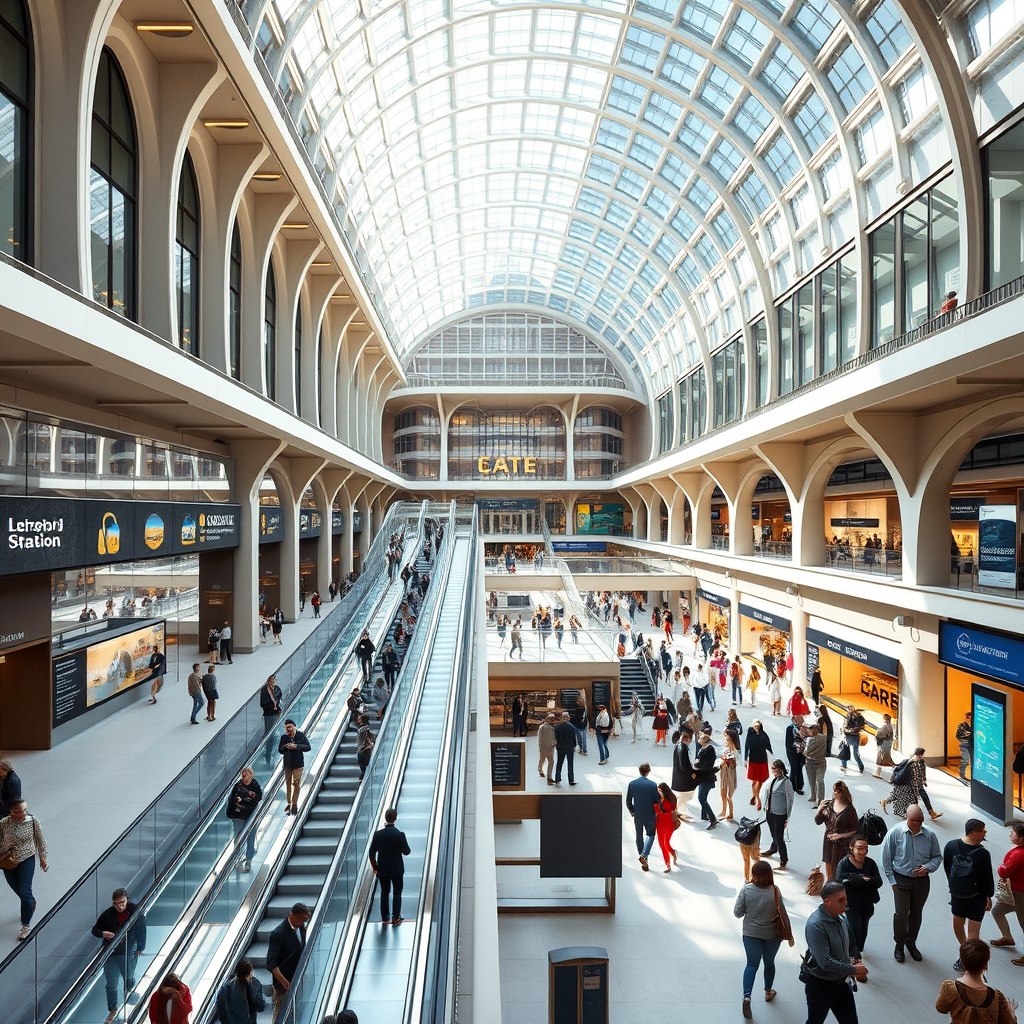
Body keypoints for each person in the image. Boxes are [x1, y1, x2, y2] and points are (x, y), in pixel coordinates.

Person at [881, 803, 942, 962]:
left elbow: (937, 856)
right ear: (908, 819)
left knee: (916, 913)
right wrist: (892, 880)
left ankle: (911, 942)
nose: (918, 825)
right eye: (915, 821)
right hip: (901, 879)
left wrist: (928, 867)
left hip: (921, 880)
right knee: (901, 914)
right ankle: (899, 944)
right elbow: (887, 859)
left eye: (921, 822)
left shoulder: (929, 835)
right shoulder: (896, 833)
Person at [802, 882, 868, 1024]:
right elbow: (825, 962)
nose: (845, 902)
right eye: (841, 900)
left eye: (845, 898)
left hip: (842, 983)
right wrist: (853, 969)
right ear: (827, 901)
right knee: (815, 1021)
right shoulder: (816, 926)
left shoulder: (841, 919)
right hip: (821, 986)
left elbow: (849, 944)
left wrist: (854, 958)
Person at [734, 860, 791, 1017]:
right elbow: (783, 912)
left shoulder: (746, 890)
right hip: (772, 935)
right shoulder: (775, 891)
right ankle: (768, 991)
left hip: (751, 933)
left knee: (751, 965)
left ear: (753, 874)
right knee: (769, 962)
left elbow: (737, 913)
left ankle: (747, 996)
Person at [944, 818, 995, 966]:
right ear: (974, 832)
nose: (985, 833)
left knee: (957, 923)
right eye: (983, 830)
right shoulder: (983, 854)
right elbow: (986, 877)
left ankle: (964, 952)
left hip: (957, 893)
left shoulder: (951, 846)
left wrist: (953, 886)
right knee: (974, 934)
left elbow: (948, 868)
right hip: (976, 897)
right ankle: (971, 962)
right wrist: (988, 896)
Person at [92, 887, 147, 1023]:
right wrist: (103, 933)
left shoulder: (135, 911)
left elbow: (141, 929)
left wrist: (141, 947)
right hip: (111, 952)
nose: (119, 906)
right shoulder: (109, 913)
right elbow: (95, 929)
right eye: (116, 903)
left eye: (121, 902)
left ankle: (130, 991)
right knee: (111, 983)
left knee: (128, 976)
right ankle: (113, 1010)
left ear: (126, 899)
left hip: (128, 950)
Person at [935, 938, 1018, 1023]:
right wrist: (1011, 1013)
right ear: (985, 965)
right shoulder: (997, 998)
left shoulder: (950, 988)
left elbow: (941, 1008)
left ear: (962, 963)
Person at [0, 798, 48, 939]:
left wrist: (43, 858)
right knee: (19, 890)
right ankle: (30, 903)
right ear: (12, 811)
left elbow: (41, 840)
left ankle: (25, 925)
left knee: (25, 891)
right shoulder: (3, 824)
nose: (21, 814)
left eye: (23, 811)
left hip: (27, 859)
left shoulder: (32, 821)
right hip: (8, 862)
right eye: (18, 811)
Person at [835, 837, 883, 953]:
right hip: (851, 901)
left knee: (863, 926)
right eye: (859, 848)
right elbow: (840, 881)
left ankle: (859, 948)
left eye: (866, 849)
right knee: (854, 927)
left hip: (867, 901)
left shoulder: (870, 863)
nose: (863, 852)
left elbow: (878, 882)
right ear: (851, 848)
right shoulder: (844, 863)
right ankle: (852, 951)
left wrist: (855, 880)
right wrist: (861, 879)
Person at [266, 903, 310, 1022]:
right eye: (301, 920)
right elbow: (270, 963)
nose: (303, 923)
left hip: (297, 979)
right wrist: (284, 981)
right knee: (280, 1014)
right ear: (293, 916)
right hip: (283, 985)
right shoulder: (278, 934)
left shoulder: (301, 929)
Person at [369, 807, 411, 925]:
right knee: (397, 892)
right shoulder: (400, 835)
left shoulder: (378, 835)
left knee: (384, 892)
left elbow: (371, 852)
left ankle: (385, 917)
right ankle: (396, 917)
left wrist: (375, 867)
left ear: (385, 818)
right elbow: (406, 851)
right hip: (397, 869)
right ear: (395, 819)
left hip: (383, 869)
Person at [882, 747, 943, 821]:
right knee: (906, 798)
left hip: (915, 784)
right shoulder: (912, 763)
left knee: (917, 797)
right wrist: (917, 787)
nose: (921, 756)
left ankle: (930, 812)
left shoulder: (919, 762)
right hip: (908, 784)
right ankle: (912, 814)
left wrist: (923, 780)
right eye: (920, 755)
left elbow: (921, 773)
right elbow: (913, 777)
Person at [990, 822, 1024, 954]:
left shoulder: (1019, 855)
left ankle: (1007, 937)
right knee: (997, 911)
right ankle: (1007, 937)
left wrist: (1000, 866)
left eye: (1013, 833)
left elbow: (1004, 871)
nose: (1010, 834)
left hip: (1018, 893)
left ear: (1021, 838)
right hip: (1016, 892)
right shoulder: (1019, 851)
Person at [816, 780, 859, 883]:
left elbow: (854, 829)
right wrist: (820, 809)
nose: (835, 793)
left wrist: (839, 836)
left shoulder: (850, 810)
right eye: (834, 790)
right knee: (829, 871)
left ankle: (836, 890)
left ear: (843, 792)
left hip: (842, 845)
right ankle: (829, 889)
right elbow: (818, 821)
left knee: (838, 872)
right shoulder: (829, 805)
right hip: (828, 843)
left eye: (838, 790)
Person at [759, 760, 795, 870]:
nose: (774, 770)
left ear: (782, 769)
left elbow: (790, 798)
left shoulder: (786, 782)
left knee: (779, 836)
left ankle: (784, 858)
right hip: (769, 811)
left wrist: (788, 815)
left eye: (777, 768)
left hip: (780, 813)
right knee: (773, 832)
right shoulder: (772, 779)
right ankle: (773, 847)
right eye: (773, 768)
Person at [226, 767, 262, 871]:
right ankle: (236, 859)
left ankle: (248, 860)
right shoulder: (237, 786)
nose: (245, 777)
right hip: (238, 816)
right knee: (237, 838)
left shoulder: (255, 786)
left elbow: (259, 798)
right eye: (244, 775)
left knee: (250, 839)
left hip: (250, 817)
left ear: (251, 775)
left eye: (247, 774)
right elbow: (231, 800)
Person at [626, 763, 660, 870]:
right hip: (649, 814)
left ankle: (642, 855)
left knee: (639, 835)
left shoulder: (632, 784)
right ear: (648, 772)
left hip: (638, 814)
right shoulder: (653, 785)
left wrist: (633, 811)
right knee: (650, 835)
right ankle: (644, 855)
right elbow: (657, 800)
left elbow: (628, 801)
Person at [215, 958, 266, 1024]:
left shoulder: (226, 987)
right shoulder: (255, 985)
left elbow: (221, 1011)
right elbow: (261, 1007)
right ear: (250, 972)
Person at [279, 719, 311, 815]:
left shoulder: (300, 735)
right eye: (286, 728)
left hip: (298, 764)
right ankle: (289, 803)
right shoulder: (284, 737)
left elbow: (308, 747)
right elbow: (280, 750)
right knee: (288, 784)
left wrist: (296, 746)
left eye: (289, 727)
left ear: (294, 726)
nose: (287, 730)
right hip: (288, 765)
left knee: (296, 783)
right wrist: (285, 747)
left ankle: (294, 804)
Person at [743, 720, 773, 811]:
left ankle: (755, 797)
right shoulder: (751, 733)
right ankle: (757, 798)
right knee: (755, 781)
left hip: (761, 760)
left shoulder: (763, 735)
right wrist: (745, 759)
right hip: (754, 760)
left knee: (759, 780)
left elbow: (769, 746)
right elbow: (746, 746)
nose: (756, 728)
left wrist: (772, 756)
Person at [671, 727, 697, 822]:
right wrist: (691, 772)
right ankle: (678, 812)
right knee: (685, 795)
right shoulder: (682, 748)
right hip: (682, 778)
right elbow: (684, 765)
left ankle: (677, 811)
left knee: (683, 796)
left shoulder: (679, 746)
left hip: (679, 776)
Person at [694, 732, 719, 830]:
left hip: (707, 777)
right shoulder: (703, 749)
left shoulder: (709, 750)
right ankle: (704, 815)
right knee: (703, 796)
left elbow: (705, 765)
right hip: (703, 776)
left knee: (702, 798)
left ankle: (713, 818)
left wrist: (697, 764)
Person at [654, 783, 678, 872]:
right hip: (670, 822)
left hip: (661, 822)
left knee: (662, 843)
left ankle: (668, 863)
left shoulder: (660, 800)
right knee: (665, 842)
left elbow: (657, 810)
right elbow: (673, 809)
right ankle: (671, 854)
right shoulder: (672, 798)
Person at [260, 676, 284, 765]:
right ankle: (268, 754)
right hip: (269, 714)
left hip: (277, 713)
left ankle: (273, 753)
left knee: (276, 733)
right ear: (268, 681)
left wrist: (278, 707)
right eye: (271, 680)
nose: (273, 682)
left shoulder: (276, 689)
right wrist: (271, 703)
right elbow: (263, 703)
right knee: (270, 734)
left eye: (274, 680)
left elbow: (280, 697)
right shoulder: (264, 690)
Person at [804, 721, 827, 805]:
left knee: (819, 780)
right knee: (811, 780)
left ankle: (820, 799)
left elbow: (806, 751)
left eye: (815, 729)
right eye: (811, 730)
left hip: (820, 763)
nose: (813, 732)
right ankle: (813, 795)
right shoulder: (808, 739)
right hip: (810, 763)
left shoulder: (821, 738)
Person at [719, 731, 739, 821]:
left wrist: (728, 759)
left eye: (727, 736)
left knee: (728, 794)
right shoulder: (726, 745)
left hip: (730, 771)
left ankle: (730, 813)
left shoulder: (734, 748)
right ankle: (723, 811)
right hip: (724, 770)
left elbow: (734, 761)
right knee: (722, 791)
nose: (726, 738)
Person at [785, 715, 806, 795]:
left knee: (799, 768)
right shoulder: (790, 728)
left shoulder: (802, 728)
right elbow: (788, 742)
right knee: (794, 768)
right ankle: (794, 786)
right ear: (795, 721)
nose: (802, 722)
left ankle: (799, 786)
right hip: (793, 753)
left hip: (801, 753)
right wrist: (794, 750)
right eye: (800, 720)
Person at [537, 713, 557, 784]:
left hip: (543, 746)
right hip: (550, 747)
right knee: (551, 761)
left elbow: (539, 737)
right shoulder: (553, 728)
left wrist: (539, 746)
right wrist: (554, 744)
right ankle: (549, 777)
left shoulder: (541, 727)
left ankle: (540, 769)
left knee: (542, 759)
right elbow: (554, 738)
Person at [356, 714, 375, 782]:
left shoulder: (364, 729)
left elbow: (367, 738)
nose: (358, 720)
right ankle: (363, 772)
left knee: (362, 758)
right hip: (364, 747)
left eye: (359, 719)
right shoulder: (363, 729)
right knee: (361, 758)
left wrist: (370, 744)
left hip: (365, 748)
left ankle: (364, 772)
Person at [956, 712, 973, 785]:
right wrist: (968, 734)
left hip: (973, 744)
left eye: (970, 718)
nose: (969, 720)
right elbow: (958, 735)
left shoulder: (975, 725)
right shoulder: (961, 725)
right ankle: (962, 775)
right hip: (964, 744)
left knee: (974, 761)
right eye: (968, 718)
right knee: (965, 760)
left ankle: (972, 776)